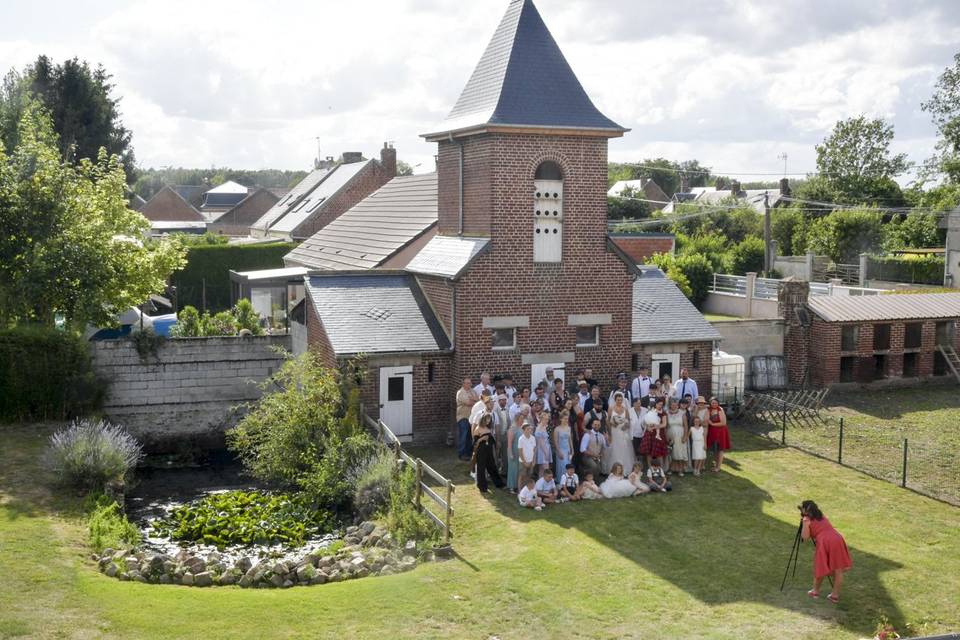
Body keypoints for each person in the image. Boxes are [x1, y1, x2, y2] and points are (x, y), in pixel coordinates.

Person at [801, 500, 852, 603]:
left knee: (821, 565)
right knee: (839, 569)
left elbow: (805, 537)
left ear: (806, 511)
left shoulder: (807, 520)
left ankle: (815, 591)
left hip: (825, 541)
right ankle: (835, 595)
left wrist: (805, 524)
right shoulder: (821, 516)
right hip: (837, 538)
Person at [605, 391, 635, 474]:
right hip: (614, 432)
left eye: (621, 400)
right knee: (615, 449)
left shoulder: (625, 409)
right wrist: (612, 424)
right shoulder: (611, 408)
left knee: (624, 448)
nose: (619, 401)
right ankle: (614, 469)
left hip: (623, 432)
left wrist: (626, 425)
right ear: (615, 400)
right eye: (618, 400)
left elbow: (628, 420)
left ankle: (625, 468)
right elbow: (607, 420)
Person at [473, 415, 504, 493]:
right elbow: (475, 443)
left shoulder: (488, 428)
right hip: (481, 451)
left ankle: (499, 483)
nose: (488, 421)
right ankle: (482, 486)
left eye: (489, 420)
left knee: (492, 466)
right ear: (483, 419)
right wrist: (482, 438)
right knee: (481, 468)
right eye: (487, 419)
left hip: (489, 450)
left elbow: (492, 440)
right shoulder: (477, 429)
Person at [638, 398, 668, 469]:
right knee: (649, 452)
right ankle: (650, 468)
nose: (660, 406)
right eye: (659, 404)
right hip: (649, 434)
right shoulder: (650, 411)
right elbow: (645, 421)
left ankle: (660, 469)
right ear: (656, 404)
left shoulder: (663, 413)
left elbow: (664, 424)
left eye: (661, 405)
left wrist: (655, 427)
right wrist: (647, 426)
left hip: (659, 434)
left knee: (659, 453)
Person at [706, 397, 731, 473]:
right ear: (710, 403)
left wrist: (712, 423)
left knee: (720, 449)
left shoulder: (720, 409)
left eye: (716, 403)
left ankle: (718, 467)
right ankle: (716, 465)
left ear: (718, 403)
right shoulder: (709, 409)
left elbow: (723, 423)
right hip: (712, 432)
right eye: (713, 403)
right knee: (715, 449)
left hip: (721, 432)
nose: (714, 404)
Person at [455, 379, 478, 461]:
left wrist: (473, 399)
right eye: (468, 383)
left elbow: (478, 399)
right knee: (463, 436)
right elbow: (468, 402)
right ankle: (461, 454)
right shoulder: (460, 393)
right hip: (463, 417)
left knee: (469, 436)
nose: (470, 384)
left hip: (471, 418)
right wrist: (473, 399)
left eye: (470, 383)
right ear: (463, 384)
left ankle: (468, 453)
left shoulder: (472, 391)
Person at [665, 399, 689, 477]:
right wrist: (666, 436)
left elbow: (686, 426)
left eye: (675, 404)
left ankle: (681, 469)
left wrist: (685, 436)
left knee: (680, 453)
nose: (674, 406)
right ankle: (671, 468)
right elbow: (666, 426)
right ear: (670, 405)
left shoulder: (682, 413)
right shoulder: (667, 413)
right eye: (672, 404)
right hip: (671, 435)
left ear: (677, 405)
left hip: (680, 435)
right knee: (671, 453)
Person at [491, 393, 511, 474]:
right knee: (496, 454)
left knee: (505, 454)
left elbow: (509, 421)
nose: (504, 402)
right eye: (502, 400)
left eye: (505, 400)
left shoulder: (507, 409)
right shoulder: (495, 411)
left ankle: (504, 471)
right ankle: (495, 471)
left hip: (505, 434)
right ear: (498, 401)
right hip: (497, 435)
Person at [506, 413, 523, 494]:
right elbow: (509, 444)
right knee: (513, 469)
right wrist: (511, 454)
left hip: (520, 451)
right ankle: (511, 487)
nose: (522, 420)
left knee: (519, 469)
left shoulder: (522, 428)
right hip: (513, 451)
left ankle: (517, 486)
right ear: (517, 419)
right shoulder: (512, 429)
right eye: (521, 418)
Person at [553, 409, 574, 474]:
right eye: (565, 419)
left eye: (567, 419)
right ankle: (560, 480)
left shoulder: (568, 428)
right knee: (562, 465)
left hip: (567, 450)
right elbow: (555, 442)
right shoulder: (557, 429)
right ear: (561, 419)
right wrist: (559, 452)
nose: (566, 420)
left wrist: (572, 449)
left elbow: (570, 439)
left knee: (568, 465)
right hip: (561, 449)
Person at [517, 423, 537, 491]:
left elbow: (534, 450)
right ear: (523, 430)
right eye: (528, 429)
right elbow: (520, 451)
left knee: (529, 476)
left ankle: (526, 490)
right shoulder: (521, 439)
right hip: (523, 462)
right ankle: (520, 491)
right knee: (522, 476)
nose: (530, 430)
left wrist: (534, 460)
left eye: (530, 429)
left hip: (531, 461)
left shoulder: (533, 438)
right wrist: (524, 462)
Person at [628, 396, 647, 465]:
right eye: (636, 403)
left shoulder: (645, 410)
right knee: (635, 449)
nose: (638, 405)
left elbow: (648, 420)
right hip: (634, 433)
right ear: (633, 404)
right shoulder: (630, 411)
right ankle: (636, 464)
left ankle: (642, 464)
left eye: (639, 403)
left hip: (643, 433)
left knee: (642, 449)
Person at [534, 412, 552, 476]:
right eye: (545, 419)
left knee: (542, 469)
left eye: (547, 419)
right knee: (546, 468)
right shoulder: (539, 428)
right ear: (541, 419)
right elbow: (540, 442)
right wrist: (546, 453)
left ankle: (540, 483)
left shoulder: (544, 427)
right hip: (542, 450)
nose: (547, 421)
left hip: (546, 447)